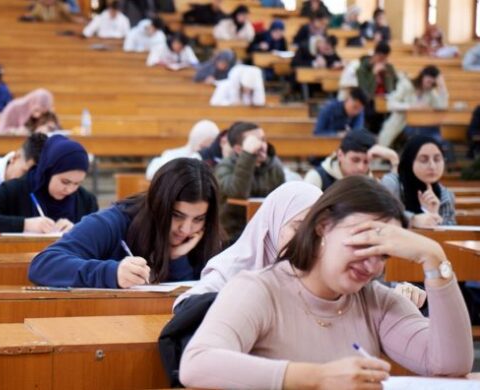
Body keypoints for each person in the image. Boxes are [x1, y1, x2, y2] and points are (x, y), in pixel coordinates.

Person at [180, 175, 473, 389]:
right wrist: (316, 378)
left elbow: (450, 364)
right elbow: (197, 363)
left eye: (383, 253)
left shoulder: (376, 300)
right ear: (322, 227)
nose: (372, 265)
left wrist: (434, 258)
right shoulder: (259, 289)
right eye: (362, 242)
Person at [28, 158, 223, 288]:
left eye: (198, 219)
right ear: (158, 204)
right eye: (177, 215)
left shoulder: (206, 238)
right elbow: (43, 264)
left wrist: (178, 260)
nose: (186, 229)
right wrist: (111, 273)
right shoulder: (113, 221)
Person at [175, 181, 322, 310]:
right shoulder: (233, 267)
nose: (307, 239)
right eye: (298, 228)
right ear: (274, 222)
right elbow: (185, 306)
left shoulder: (324, 272)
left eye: (317, 231)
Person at [0, 135, 98, 233]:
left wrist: (78, 230)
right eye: (65, 181)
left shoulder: (86, 200)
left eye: (77, 183)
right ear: (48, 171)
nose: (69, 189)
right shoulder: (15, 189)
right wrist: (24, 224)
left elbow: (99, 236)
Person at [215, 122, 285, 239]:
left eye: (263, 140)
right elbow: (238, 193)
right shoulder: (224, 167)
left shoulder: (274, 166)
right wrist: (248, 155)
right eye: (253, 142)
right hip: (232, 235)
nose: (262, 145)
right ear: (238, 149)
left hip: (266, 233)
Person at [381, 136, 456, 228]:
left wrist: (434, 217)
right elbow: (381, 216)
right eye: (424, 160)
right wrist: (413, 219)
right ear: (409, 162)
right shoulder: (392, 183)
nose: (432, 166)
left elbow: (451, 232)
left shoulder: (445, 194)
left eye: (437, 159)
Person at [305, 130, 399, 191]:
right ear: (340, 155)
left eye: (366, 162)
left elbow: (392, 206)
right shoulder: (316, 178)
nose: (361, 167)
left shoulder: (371, 181)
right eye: (355, 160)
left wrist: (393, 158)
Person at [379, 66, 449, 147]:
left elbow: (442, 107)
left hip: (418, 126)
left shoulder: (430, 92)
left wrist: (442, 86)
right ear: (422, 77)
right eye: (428, 81)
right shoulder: (406, 85)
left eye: (433, 83)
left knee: (434, 137)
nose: (430, 85)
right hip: (399, 121)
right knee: (383, 142)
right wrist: (412, 107)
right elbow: (390, 105)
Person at [146, 120, 219, 179]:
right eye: (204, 147)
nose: (207, 150)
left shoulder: (213, 160)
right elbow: (151, 174)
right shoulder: (171, 155)